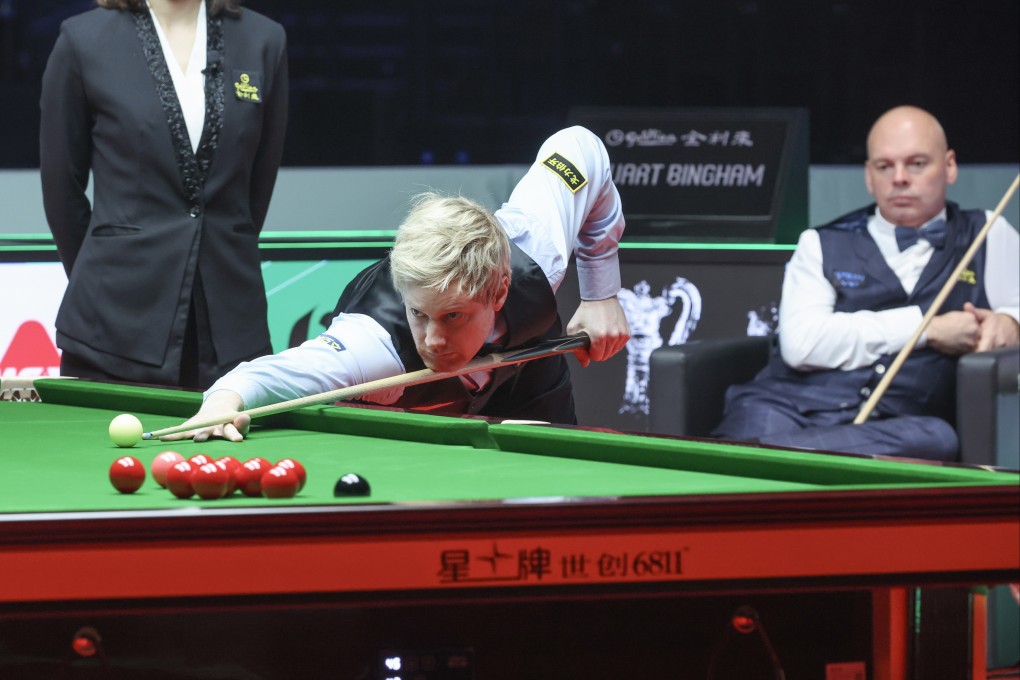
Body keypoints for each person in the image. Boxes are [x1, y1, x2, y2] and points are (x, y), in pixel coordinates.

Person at [170, 126, 631, 441]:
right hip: (413, 405)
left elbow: (579, 147)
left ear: (499, 289)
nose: (432, 339)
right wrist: (221, 405)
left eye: (453, 316)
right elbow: (262, 378)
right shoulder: (371, 347)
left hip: (527, 370)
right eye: (420, 314)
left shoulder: (536, 248)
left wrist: (601, 293)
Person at [712, 106, 1019, 460]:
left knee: (938, 438)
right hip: (784, 409)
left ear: (949, 166)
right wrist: (926, 329)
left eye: (916, 163)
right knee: (757, 428)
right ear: (869, 176)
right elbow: (802, 345)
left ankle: (757, 459)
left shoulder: (987, 233)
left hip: (893, 427)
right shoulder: (820, 243)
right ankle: (771, 458)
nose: (900, 178)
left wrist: (1010, 322)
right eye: (884, 166)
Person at [40, 0, 288, 389]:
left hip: (230, 328)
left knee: (227, 453)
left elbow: (257, 188)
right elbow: (60, 189)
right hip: (112, 326)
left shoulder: (264, 39)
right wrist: (104, 274)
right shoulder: (83, 38)